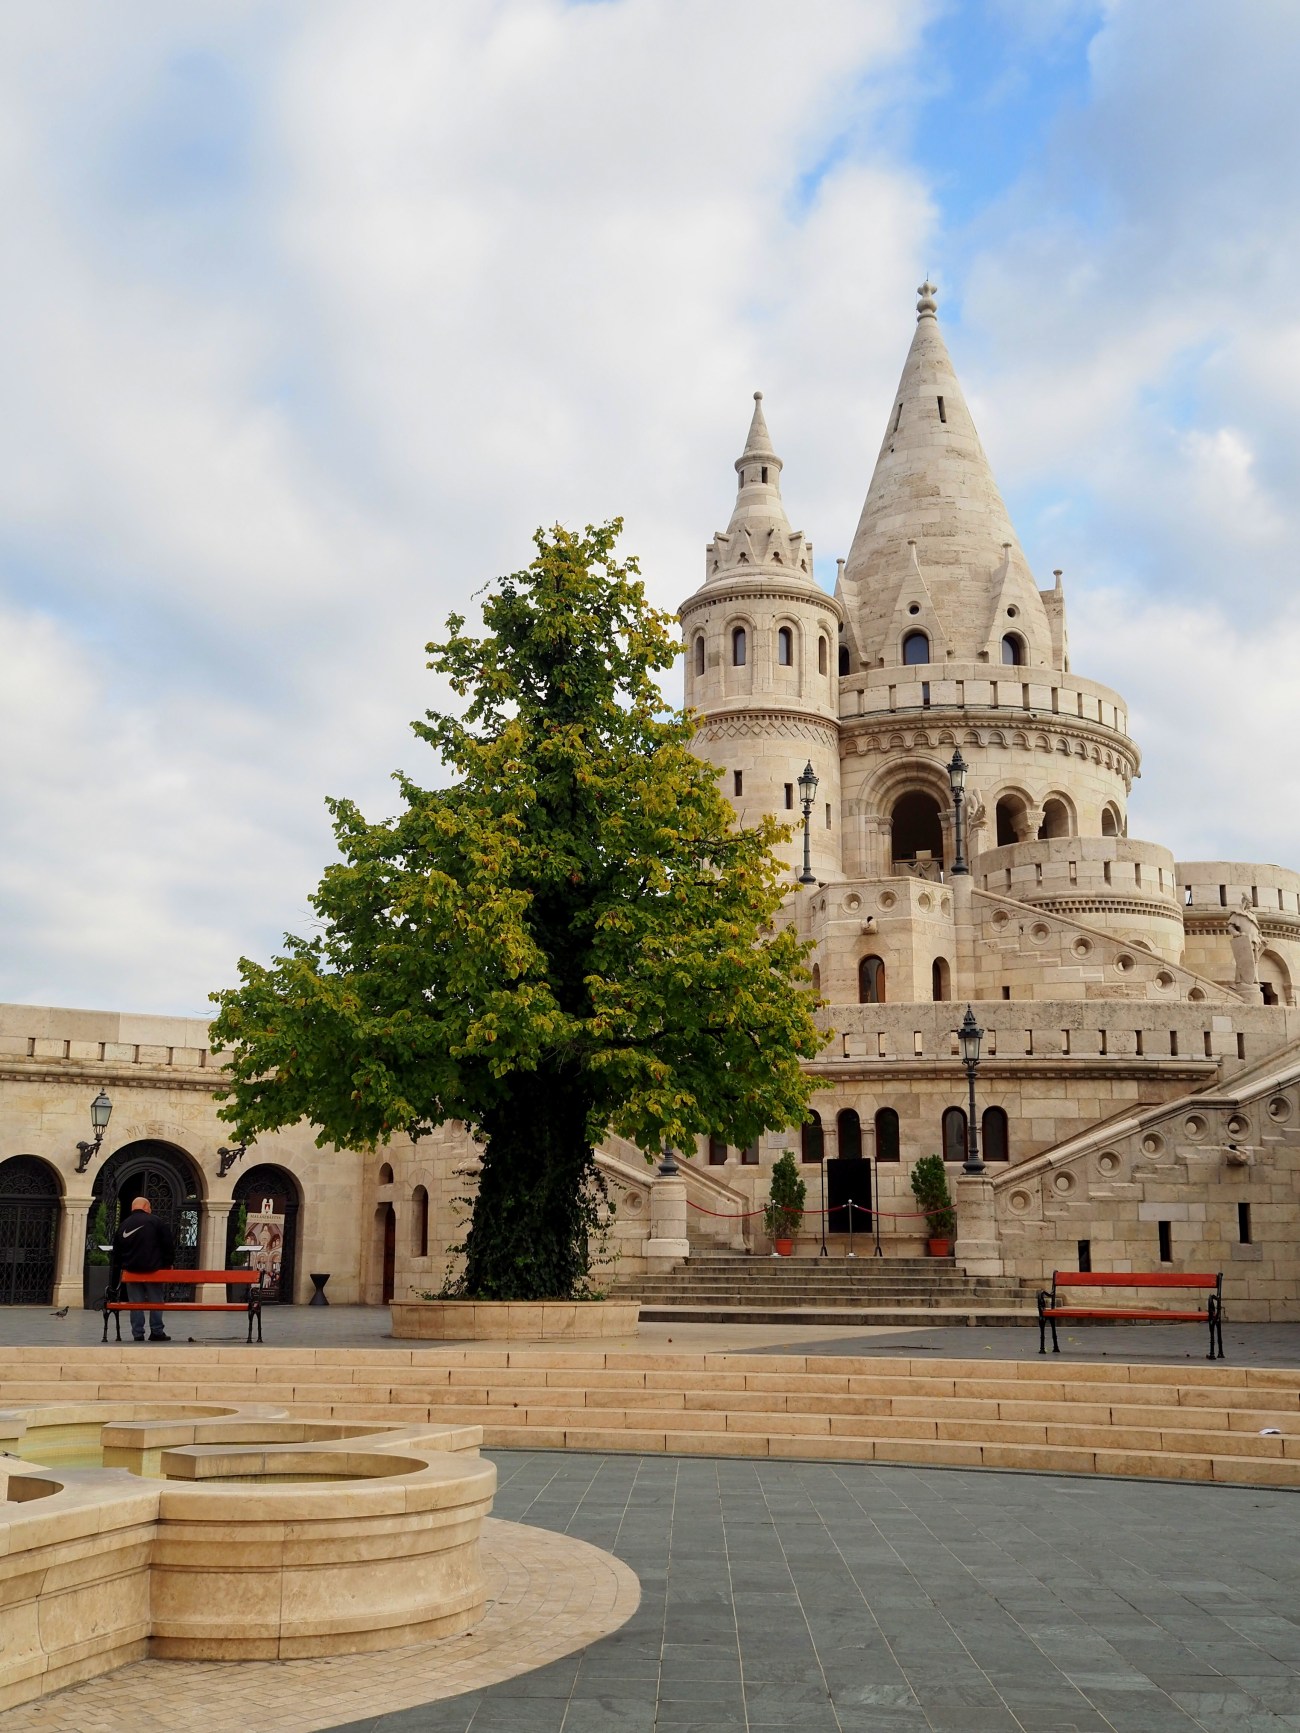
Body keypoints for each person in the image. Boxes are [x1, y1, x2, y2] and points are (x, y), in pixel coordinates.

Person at [110, 1196, 174, 1342]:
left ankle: (137, 1333)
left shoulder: (124, 1224)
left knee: (135, 1302)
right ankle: (157, 1331)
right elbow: (167, 1244)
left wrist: (121, 1266)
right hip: (153, 1270)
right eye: (149, 1207)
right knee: (156, 1300)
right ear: (146, 1207)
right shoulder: (156, 1222)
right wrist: (167, 1263)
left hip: (131, 1270)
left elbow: (117, 1249)